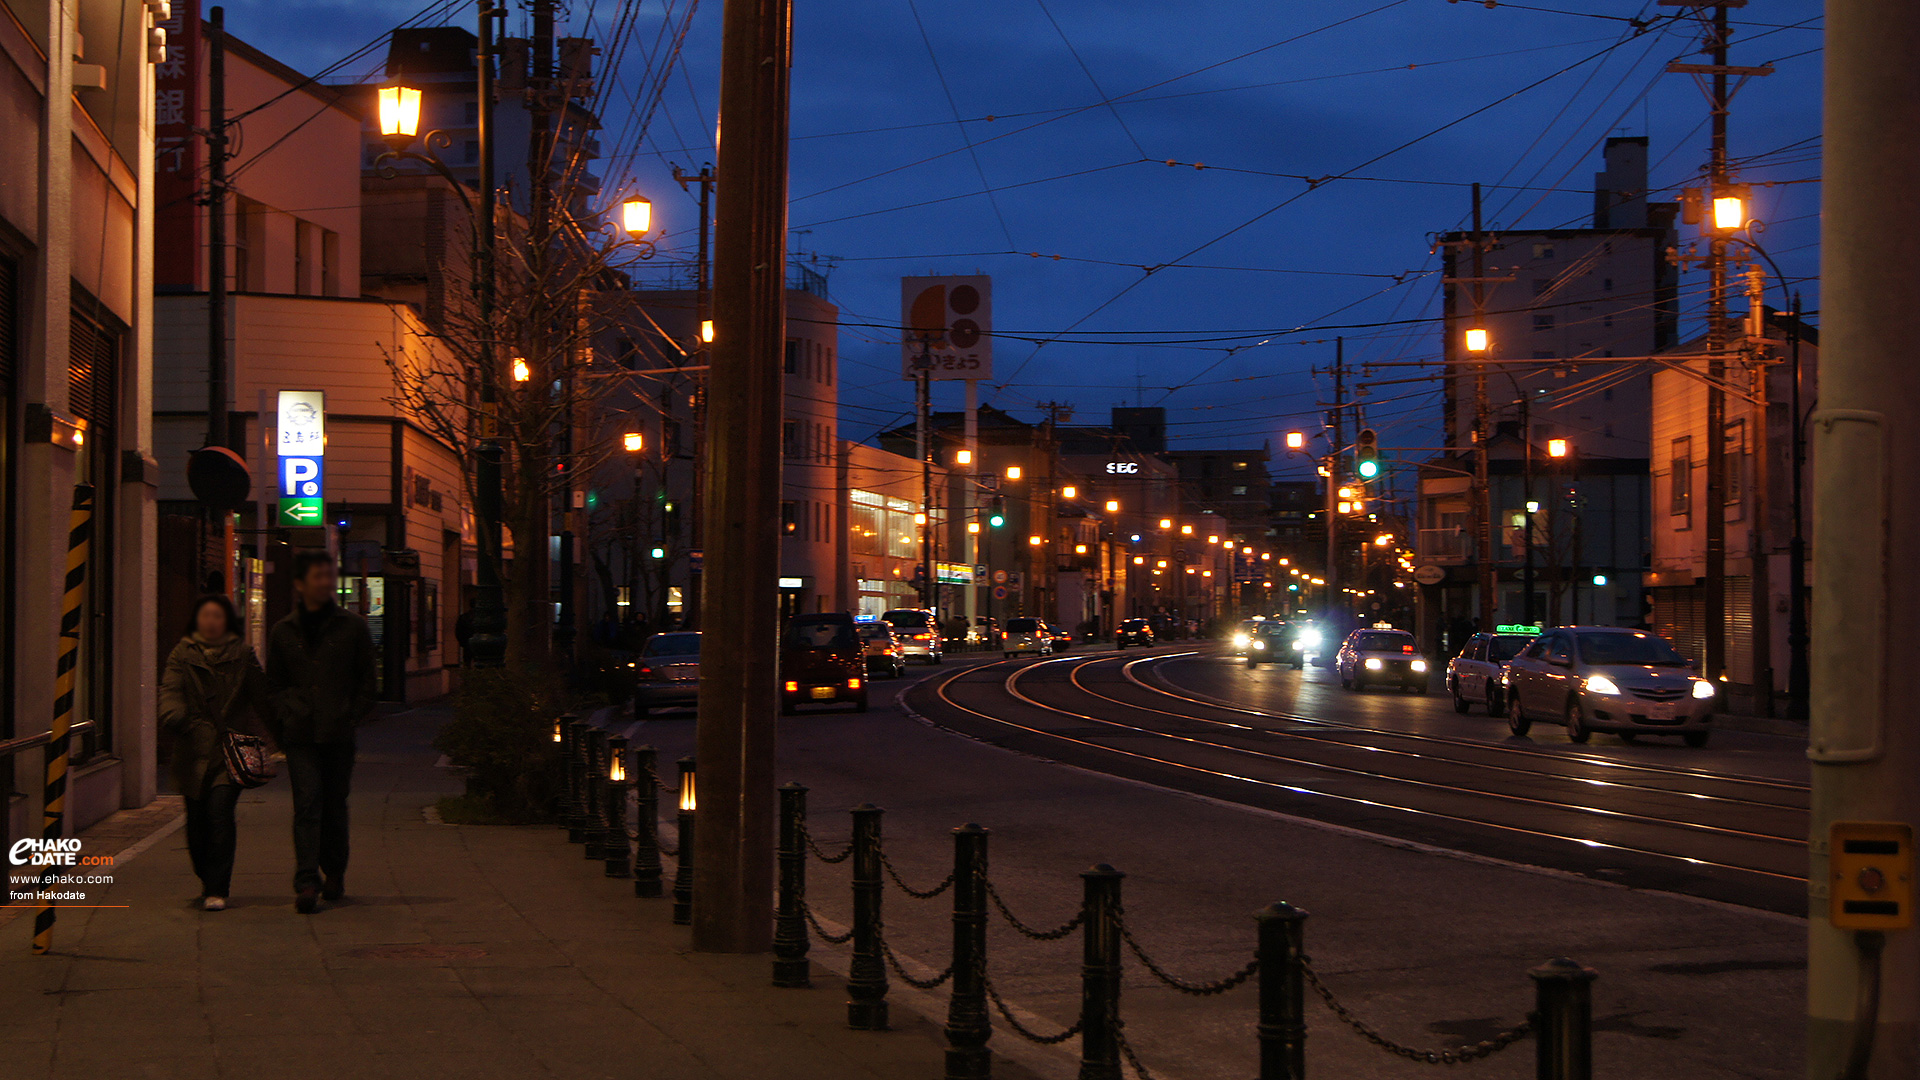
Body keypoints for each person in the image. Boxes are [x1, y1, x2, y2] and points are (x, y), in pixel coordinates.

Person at [266, 551, 376, 913]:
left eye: (329, 576)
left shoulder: (352, 628)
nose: (326, 583)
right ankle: (306, 881)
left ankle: (336, 872)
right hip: (299, 732)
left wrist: (350, 714)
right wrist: (286, 713)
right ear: (300, 583)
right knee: (307, 804)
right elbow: (276, 683)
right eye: (318, 576)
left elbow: (367, 681)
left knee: (334, 805)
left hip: (338, 731)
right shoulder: (284, 631)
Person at [158, 595, 273, 911]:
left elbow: (262, 697)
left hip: (228, 751)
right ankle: (207, 876)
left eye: (217, 616)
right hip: (192, 751)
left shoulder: (243, 655)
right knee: (196, 824)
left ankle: (217, 887)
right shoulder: (182, 655)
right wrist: (175, 716)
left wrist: (281, 734)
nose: (211, 622)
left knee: (220, 814)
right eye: (205, 616)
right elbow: (170, 692)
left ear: (227, 622)